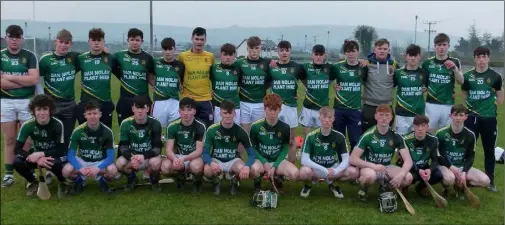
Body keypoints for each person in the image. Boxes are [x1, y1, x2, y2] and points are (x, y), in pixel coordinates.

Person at [1, 25, 40, 187]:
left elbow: (33, 80)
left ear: (22, 39)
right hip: (5, 101)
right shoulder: (1, 56)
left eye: (18, 37)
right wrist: (23, 82)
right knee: (10, 139)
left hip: (26, 101)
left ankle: (27, 170)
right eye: (11, 37)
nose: (14, 40)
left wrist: (9, 77)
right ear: (6, 38)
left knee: (27, 141)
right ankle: (8, 174)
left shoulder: (30, 56)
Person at [349, 104, 413, 201]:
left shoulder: (396, 136)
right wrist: (374, 166)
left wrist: (401, 175)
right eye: (381, 115)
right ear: (376, 117)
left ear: (391, 117)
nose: (384, 118)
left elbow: (408, 161)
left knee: (408, 177)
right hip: (369, 167)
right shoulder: (367, 135)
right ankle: (363, 190)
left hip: (386, 167)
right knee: (370, 176)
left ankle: (386, 187)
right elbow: (352, 159)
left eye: (387, 115)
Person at [461, 46, 503, 192]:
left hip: (489, 119)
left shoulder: (495, 77)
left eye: (484, 56)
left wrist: (492, 106)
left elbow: (499, 96)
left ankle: (490, 180)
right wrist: (469, 108)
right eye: (478, 57)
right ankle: (463, 178)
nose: (481, 60)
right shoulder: (467, 76)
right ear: (475, 59)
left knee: (489, 150)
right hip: (471, 118)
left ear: (488, 58)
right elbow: (464, 93)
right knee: (466, 149)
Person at [13, 94, 68, 197]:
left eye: (45, 109)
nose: (42, 113)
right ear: (33, 111)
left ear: (50, 110)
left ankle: (62, 181)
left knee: (57, 165)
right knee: (17, 162)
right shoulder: (28, 125)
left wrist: (42, 154)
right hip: (36, 156)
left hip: (53, 155)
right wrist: (35, 158)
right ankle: (33, 182)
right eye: (38, 109)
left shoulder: (57, 124)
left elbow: (61, 149)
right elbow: (17, 149)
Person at [299, 107, 359, 198]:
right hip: (317, 169)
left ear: (333, 119)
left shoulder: (340, 136)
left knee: (353, 172)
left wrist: (335, 171)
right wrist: (324, 170)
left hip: (333, 168)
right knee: (304, 171)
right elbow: (304, 160)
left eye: (329, 117)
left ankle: (333, 183)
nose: (327, 120)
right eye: (324, 117)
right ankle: (308, 185)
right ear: (320, 118)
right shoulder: (311, 136)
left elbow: (346, 160)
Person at [202, 100, 256, 196]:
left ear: (234, 113)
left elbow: (251, 154)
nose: (228, 116)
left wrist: (247, 166)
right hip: (216, 160)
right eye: (225, 113)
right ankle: (216, 182)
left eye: (230, 113)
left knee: (242, 168)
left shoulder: (240, 131)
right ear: (220, 113)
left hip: (233, 160)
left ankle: (233, 182)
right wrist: (211, 163)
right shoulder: (212, 130)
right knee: (207, 170)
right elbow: (205, 153)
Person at [62, 100, 117, 194]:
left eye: (95, 113)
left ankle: (102, 181)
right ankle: (79, 182)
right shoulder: (78, 131)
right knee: (66, 171)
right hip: (83, 161)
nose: (92, 116)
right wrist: (80, 168)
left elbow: (111, 156)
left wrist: (98, 168)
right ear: (85, 115)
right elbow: (70, 155)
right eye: (89, 113)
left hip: (99, 161)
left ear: (100, 114)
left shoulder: (107, 131)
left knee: (113, 170)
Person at [436, 104, 490, 199]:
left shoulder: (470, 135)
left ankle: (459, 186)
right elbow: (438, 155)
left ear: (466, 117)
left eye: (461, 115)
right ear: (450, 116)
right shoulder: (441, 133)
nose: (458, 118)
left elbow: (471, 156)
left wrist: (464, 172)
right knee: (449, 178)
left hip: (461, 166)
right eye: (455, 115)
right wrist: (450, 167)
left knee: (485, 181)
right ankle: (446, 188)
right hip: (445, 166)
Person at [249, 93, 299, 193]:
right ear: (264, 109)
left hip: (278, 160)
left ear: (279, 110)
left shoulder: (285, 127)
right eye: (269, 109)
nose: (272, 113)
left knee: (295, 175)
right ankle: (257, 183)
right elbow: (252, 148)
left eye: (275, 110)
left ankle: (277, 178)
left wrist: (275, 165)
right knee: (253, 169)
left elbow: (285, 148)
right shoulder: (255, 126)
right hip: (261, 160)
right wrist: (264, 162)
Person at [116, 95, 163, 192]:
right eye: (137, 107)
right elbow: (123, 147)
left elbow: (157, 148)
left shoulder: (155, 123)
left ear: (148, 109)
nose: (140, 111)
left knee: (156, 163)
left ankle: (154, 180)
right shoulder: (125, 123)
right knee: (119, 164)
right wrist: (131, 157)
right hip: (133, 157)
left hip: (148, 157)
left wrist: (144, 156)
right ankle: (132, 178)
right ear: (133, 108)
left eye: (143, 107)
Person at [267, 40, 303, 163]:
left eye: (287, 50)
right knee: (273, 139)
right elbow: (264, 85)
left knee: (291, 139)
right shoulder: (271, 67)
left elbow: (309, 84)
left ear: (290, 51)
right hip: (274, 108)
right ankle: (274, 165)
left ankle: (290, 165)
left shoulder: (297, 67)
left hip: (291, 107)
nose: (284, 53)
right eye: (281, 50)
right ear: (277, 51)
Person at [161, 97, 206, 193]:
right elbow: (168, 150)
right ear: (179, 111)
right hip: (178, 155)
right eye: (183, 109)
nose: (186, 113)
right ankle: (179, 177)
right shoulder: (172, 126)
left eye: (189, 110)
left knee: (196, 167)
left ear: (194, 111)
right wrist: (175, 159)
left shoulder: (200, 126)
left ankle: (197, 180)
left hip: (194, 156)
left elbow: (199, 151)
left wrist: (183, 159)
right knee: (165, 168)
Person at [76, 28, 118, 129]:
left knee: (106, 135)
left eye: (99, 40)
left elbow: (123, 75)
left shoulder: (110, 59)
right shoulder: (81, 59)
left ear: (104, 42)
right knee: (85, 136)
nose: (96, 43)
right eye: (93, 40)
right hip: (86, 103)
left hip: (105, 103)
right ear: (89, 42)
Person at [422, 33, 464, 133]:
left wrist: (455, 69)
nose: (441, 48)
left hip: (448, 104)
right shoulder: (427, 63)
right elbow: (424, 85)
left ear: (448, 46)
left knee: (446, 134)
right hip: (431, 104)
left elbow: (461, 81)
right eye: (439, 45)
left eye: (444, 45)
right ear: (434, 47)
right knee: (428, 133)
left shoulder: (455, 61)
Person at [332, 40, 368, 150]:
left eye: (353, 51)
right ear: (345, 53)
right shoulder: (337, 67)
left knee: (355, 140)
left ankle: (354, 164)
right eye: (348, 51)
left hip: (355, 109)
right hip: (339, 109)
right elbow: (329, 80)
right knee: (339, 139)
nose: (351, 54)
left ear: (358, 52)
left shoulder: (363, 67)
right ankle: (340, 164)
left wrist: (367, 61)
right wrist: (334, 85)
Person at [114, 28, 155, 126]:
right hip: (125, 100)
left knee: (144, 130)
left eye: (137, 40)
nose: (134, 43)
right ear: (127, 40)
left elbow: (151, 78)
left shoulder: (148, 58)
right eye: (132, 40)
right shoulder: (119, 56)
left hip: (143, 99)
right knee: (125, 130)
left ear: (142, 41)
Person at [177, 27, 215, 128]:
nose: (199, 42)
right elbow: (178, 75)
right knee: (188, 130)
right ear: (192, 39)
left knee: (207, 129)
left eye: (202, 39)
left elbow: (212, 76)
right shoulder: (183, 56)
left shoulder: (210, 56)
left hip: (205, 99)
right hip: (188, 98)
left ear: (205, 40)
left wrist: (213, 89)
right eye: (197, 39)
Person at [397, 115, 443, 197]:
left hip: (424, 168)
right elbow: (403, 161)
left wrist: (429, 170)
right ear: (413, 126)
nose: (420, 128)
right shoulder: (405, 139)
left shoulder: (433, 140)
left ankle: (420, 187)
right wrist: (418, 171)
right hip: (409, 168)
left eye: (423, 126)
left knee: (438, 176)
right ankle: (404, 187)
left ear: (428, 127)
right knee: (408, 177)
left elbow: (435, 160)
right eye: (417, 126)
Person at [360, 39, 400, 133]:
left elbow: (396, 83)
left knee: (386, 136)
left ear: (388, 50)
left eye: (385, 49)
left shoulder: (394, 65)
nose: (382, 51)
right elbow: (360, 80)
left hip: (387, 106)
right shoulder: (366, 64)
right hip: (369, 106)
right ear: (375, 50)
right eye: (380, 48)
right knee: (367, 135)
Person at [235, 36, 272, 133]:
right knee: (244, 134)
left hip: (260, 103)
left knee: (258, 132)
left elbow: (270, 81)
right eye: (251, 48)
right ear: (247, 49)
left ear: (260, 48)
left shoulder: (267, 63)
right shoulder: (239, 63)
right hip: (243, 103)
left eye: (256, 48)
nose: (254, 51)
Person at [299, 44, 337, 139]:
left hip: (323, 107)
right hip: (308, 107)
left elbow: (331, 81)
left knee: (323, 137)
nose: (318, 57)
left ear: (325, 55)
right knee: (307, 137)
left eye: (321, 54)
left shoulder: (329, 68)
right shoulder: (305, 67)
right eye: (316, 54)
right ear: (312, 55)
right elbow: (303, 81)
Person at [151, 37, 185, 128]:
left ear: (175, 49)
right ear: (162, 50)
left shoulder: (181, 66)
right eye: (165, 49)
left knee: (174, 130)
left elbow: (183, 82)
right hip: (159, 101)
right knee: (158, 129)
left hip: (174, 101)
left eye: (170, 49)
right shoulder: (155, 63)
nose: (168, 52)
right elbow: (147, 74)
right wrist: (152, 84)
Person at [393, 44, 427, 135]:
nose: (413, 58)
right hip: (401, 114)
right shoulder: (398, 73)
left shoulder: (424, 73)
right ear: (406, 56)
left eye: (415, 55)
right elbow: (390, 88)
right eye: (410, 55)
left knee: (416, 143)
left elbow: (431, 88)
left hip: (418, 114)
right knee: (401, 142)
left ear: (419, 56)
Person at [210, 43, 242, 124]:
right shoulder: (213, 68)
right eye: (225, 54)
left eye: (231, 54)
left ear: (234, 55)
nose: (228, 57)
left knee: (235, 130)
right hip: (218, 105)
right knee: (218, 129)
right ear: (221, 54)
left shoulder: (238, 68)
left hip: (235, 105)